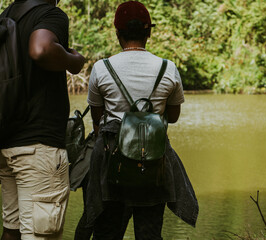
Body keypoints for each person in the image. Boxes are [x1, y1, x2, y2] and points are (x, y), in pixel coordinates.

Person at [86, 1, 198, 239]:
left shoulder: (101, 68)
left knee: (106, 234)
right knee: (149, 235)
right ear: (149, 32)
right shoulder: (168, 68)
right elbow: (174, 117)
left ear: (118, 33)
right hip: (152, 166)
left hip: (112, 167)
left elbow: (98, 120)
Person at [0, 0, 85, 239]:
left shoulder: (7, 15)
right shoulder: (50, 14)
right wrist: (73, 61)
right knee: (40, 235)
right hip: (38, 149)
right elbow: (41, 49)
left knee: (11, 230)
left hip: (7, 146)